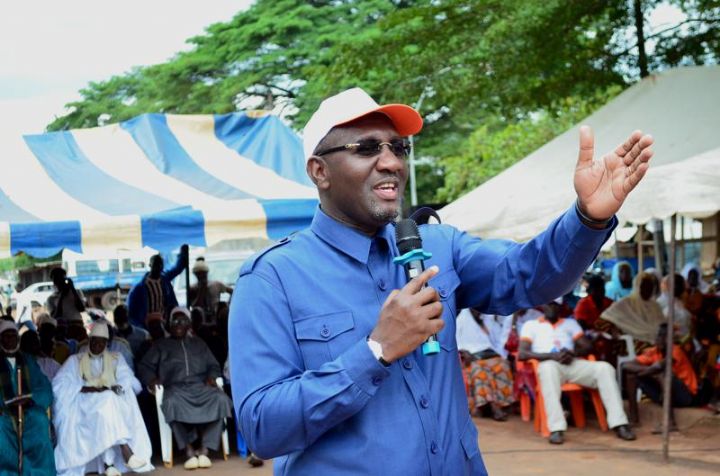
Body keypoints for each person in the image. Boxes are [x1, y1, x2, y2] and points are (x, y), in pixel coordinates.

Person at [228, 87, 653, 474]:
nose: (392, 162)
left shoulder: (439, 246)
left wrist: (587, 219)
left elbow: (528, 275)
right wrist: (375, 352)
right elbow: (263, 427)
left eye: (398, 147)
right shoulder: (271, 279)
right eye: (367, 148)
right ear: (320, 171)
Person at [519, 299, 635, 444]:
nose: (552, 308)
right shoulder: (531, 325)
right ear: (543, 306)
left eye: (555, 305)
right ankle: (556, 429)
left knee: (605, 368)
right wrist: (551, 356)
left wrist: (572, 353)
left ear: (561, 307)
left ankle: (620, 424)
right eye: (549, 304)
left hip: (572, 363)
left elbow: (588, 347)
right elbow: (522, 354)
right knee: (548, 370)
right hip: (549, 363)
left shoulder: (570, 323)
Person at [53, 320, 152, 476]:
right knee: (108, 401)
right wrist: (85, 388)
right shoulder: (76, 360)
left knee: (109, 401)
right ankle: (126, 451)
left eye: (101, 343)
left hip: (110, 402)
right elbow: (59, 383)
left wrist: (116, 387)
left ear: (106, 344)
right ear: (89, 340)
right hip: (84, 403)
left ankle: (109, 464)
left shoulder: (116, 358)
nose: (97, 346)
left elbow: (127, 377)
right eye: (94, 341)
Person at [138, 307, 232, 470]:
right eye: (174, 321)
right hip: (175, 389)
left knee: (221, 399)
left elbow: (213, 365)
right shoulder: (161, 345)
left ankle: (204, 449)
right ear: (169, 324)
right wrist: (152, 380)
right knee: (171, 403)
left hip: (200, 387)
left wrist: (212, 376)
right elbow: (144, 366)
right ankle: (188, 450)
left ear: (189, 324)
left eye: (182, 321)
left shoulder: (199, 343)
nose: (178, 324)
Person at [0, 320, 56, 475]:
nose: (10, 340)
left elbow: (45, 387)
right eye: (6, 336)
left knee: (40, 421)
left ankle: (38, 472)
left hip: (28, 408)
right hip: (4, 412)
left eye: (13, 336)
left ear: (18, 339)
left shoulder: (28, 360)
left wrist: (31, 399)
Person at [622, 324, 698, 430]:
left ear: (670, 339)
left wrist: (647, 372)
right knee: (631, 375)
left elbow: (659, 366)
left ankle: (670, 423)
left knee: (664, 374)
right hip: (665, 394)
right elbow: (626, 365)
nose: (660, 340)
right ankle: (634, 419)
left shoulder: (675, 351)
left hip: (685, 396)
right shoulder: (654, 351)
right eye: (659, 336)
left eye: (664, 337)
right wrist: (649, 372)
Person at [456, 309, 514, 421]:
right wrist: (463, 351)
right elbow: (455, 341)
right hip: (474, 357)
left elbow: (497, 341)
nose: (478, 311)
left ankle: (503, 404)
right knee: (481, 370)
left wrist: (483, 324)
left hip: (490, 354)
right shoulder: (461, 319)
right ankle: (493, 406)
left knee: (503, 366)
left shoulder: (486, 320)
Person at [598, 272, 666, 356]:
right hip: (633, 341)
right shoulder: (626, 302)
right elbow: (602, 320)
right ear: (637, 286)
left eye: (650, 287)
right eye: (644, 286)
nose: (648, 289)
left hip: (656, 339)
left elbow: (663, 325)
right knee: (653, 350)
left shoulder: (655, 306)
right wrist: (613, 330)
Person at [127, 247, 187, 328]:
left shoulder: (164, 280)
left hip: (164, 324)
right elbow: (132, 312)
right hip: (147, 326)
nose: (159, 267)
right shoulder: (139, 288)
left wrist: (183, 253)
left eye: (161, 264)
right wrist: (141, 326)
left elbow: (178, 268)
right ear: (150, 265)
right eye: (156, 264)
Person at [188, 257, 233, 322]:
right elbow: (195, 306)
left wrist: (228, 305)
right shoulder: (192, 289)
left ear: (207, 273)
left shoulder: (216, 285)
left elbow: (232, 291)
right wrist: (201, 290)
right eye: (199, 274)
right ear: (195, 275)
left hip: (216, 318)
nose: (201, 276)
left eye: (203, 273)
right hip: (200, 320)